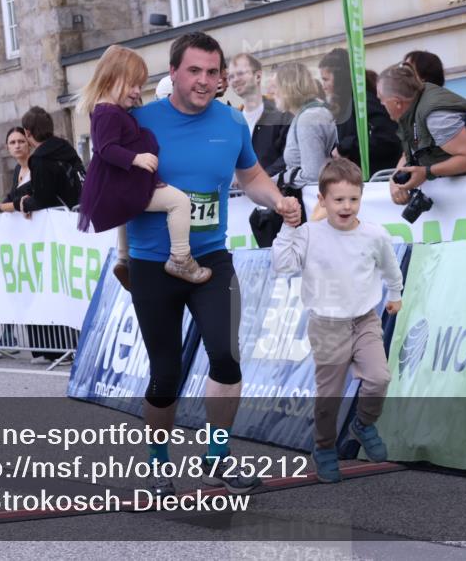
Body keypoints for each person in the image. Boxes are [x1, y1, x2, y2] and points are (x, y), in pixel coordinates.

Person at [126, 31, 301, 497]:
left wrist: (278, 200)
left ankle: (216, 460)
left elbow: (252, 176)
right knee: (164, 376)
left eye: (212, 72)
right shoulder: (141, 123)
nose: (204, 81)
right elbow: (109, 184)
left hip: (210, 260)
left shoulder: (232, 122)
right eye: (194, 71)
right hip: (153, 264)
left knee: (226, 358)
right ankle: (158, 465)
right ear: (174, 74)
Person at [271, 158, 402, 482]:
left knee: (378, 379)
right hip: (327, 325)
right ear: (323, 201)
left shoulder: (374, 235)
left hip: (365, 320)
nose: (346, 206)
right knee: (328, 397)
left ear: (361, 197)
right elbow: (283, 264)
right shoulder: (309, 234)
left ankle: (363, 424)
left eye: (353, 199)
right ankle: (325, 447)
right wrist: (288, 228)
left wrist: (396, 293)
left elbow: (389, 267)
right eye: (338, 199)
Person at [76, 44, 212, 288]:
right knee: (179, 202)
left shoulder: (108, 109)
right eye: (132, 85)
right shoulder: (108, 112)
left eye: (139, 85)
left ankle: (124, 257)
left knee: (125, 214)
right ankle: (180, 257)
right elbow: (105, 148)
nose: (137, 91)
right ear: (112, 78)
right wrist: (136, 158)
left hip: (117, 184)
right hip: (123, 184)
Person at [377, 63, 466, 206]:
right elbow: (411, 150)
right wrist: (395, 178)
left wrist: (427, 172)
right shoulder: (416, 107)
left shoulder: (435, 117)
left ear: (397, 103)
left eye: (381, 99)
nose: (381, 104)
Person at [318, 48, 401, 175]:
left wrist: (345, 147)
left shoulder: (363, 101)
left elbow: (387, 138)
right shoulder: (346, 104)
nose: (323, 85)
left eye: (326, 79)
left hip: (377, 178)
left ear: (339, 78)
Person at [227, 52, 292, 176]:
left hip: (275, 192)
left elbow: (288, 158)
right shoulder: (230, 121)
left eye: (240, 73)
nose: (234, 80)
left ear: (257, 76)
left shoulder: (282, 114)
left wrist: (257, 180)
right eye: (230, 76)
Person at [276, 61, 337, 190]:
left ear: (288, 88)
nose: (272, 93)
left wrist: (280, 180)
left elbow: (313, 175)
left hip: (319, 202)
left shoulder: (308, 118)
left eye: (276, 87)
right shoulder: (307, 114)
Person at [16, 106, 84, 214]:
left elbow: (42, 200)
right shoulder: (64, 146)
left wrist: (24, 204)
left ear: (27, 132)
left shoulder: (39, 159)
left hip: (64, 218)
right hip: (84, 208)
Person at [0, 127, 32, 216]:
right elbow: (12, 196)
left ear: (29, 143)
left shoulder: (36, 167)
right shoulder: (18, 169)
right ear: (7, 147)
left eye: (21, 141)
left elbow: (32, 200)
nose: (17, 146)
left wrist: (0, 207)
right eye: (12, 142)